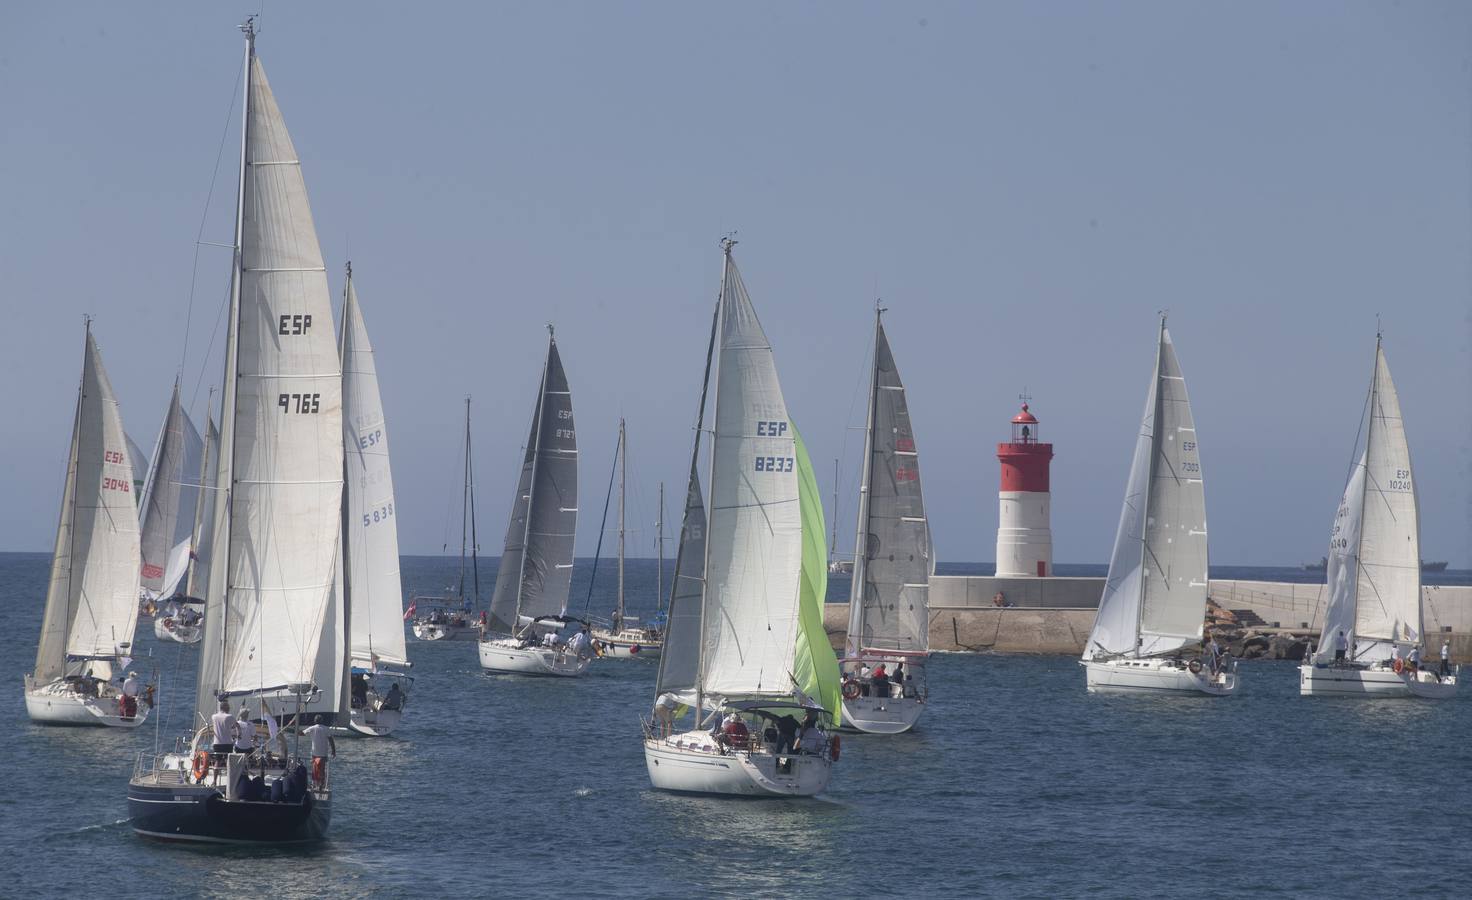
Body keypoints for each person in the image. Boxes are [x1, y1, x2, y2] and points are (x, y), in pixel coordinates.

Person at [302, 715, 336, 789]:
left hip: (315, 752)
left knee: (315, 768)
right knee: (322, 769)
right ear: (322, 721)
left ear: (315, 721)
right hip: (323, 753)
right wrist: (333, 751)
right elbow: (331, 740)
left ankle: (314, 783)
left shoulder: (312, 728)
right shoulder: (326, 729)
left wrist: (296, 731)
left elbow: (302, 733)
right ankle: (322, 784)